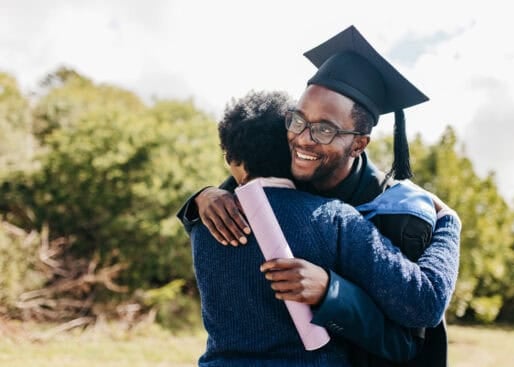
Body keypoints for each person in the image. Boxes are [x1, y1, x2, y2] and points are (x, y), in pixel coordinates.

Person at [179, 26, 460, 366]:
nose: (302, 139)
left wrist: (333, 293)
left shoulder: (401, 214)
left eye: (324, 129)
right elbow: (240, 189)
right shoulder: (288, 171)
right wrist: (202, 199)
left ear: (358, 143)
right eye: (297, 120)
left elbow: (409, 339)